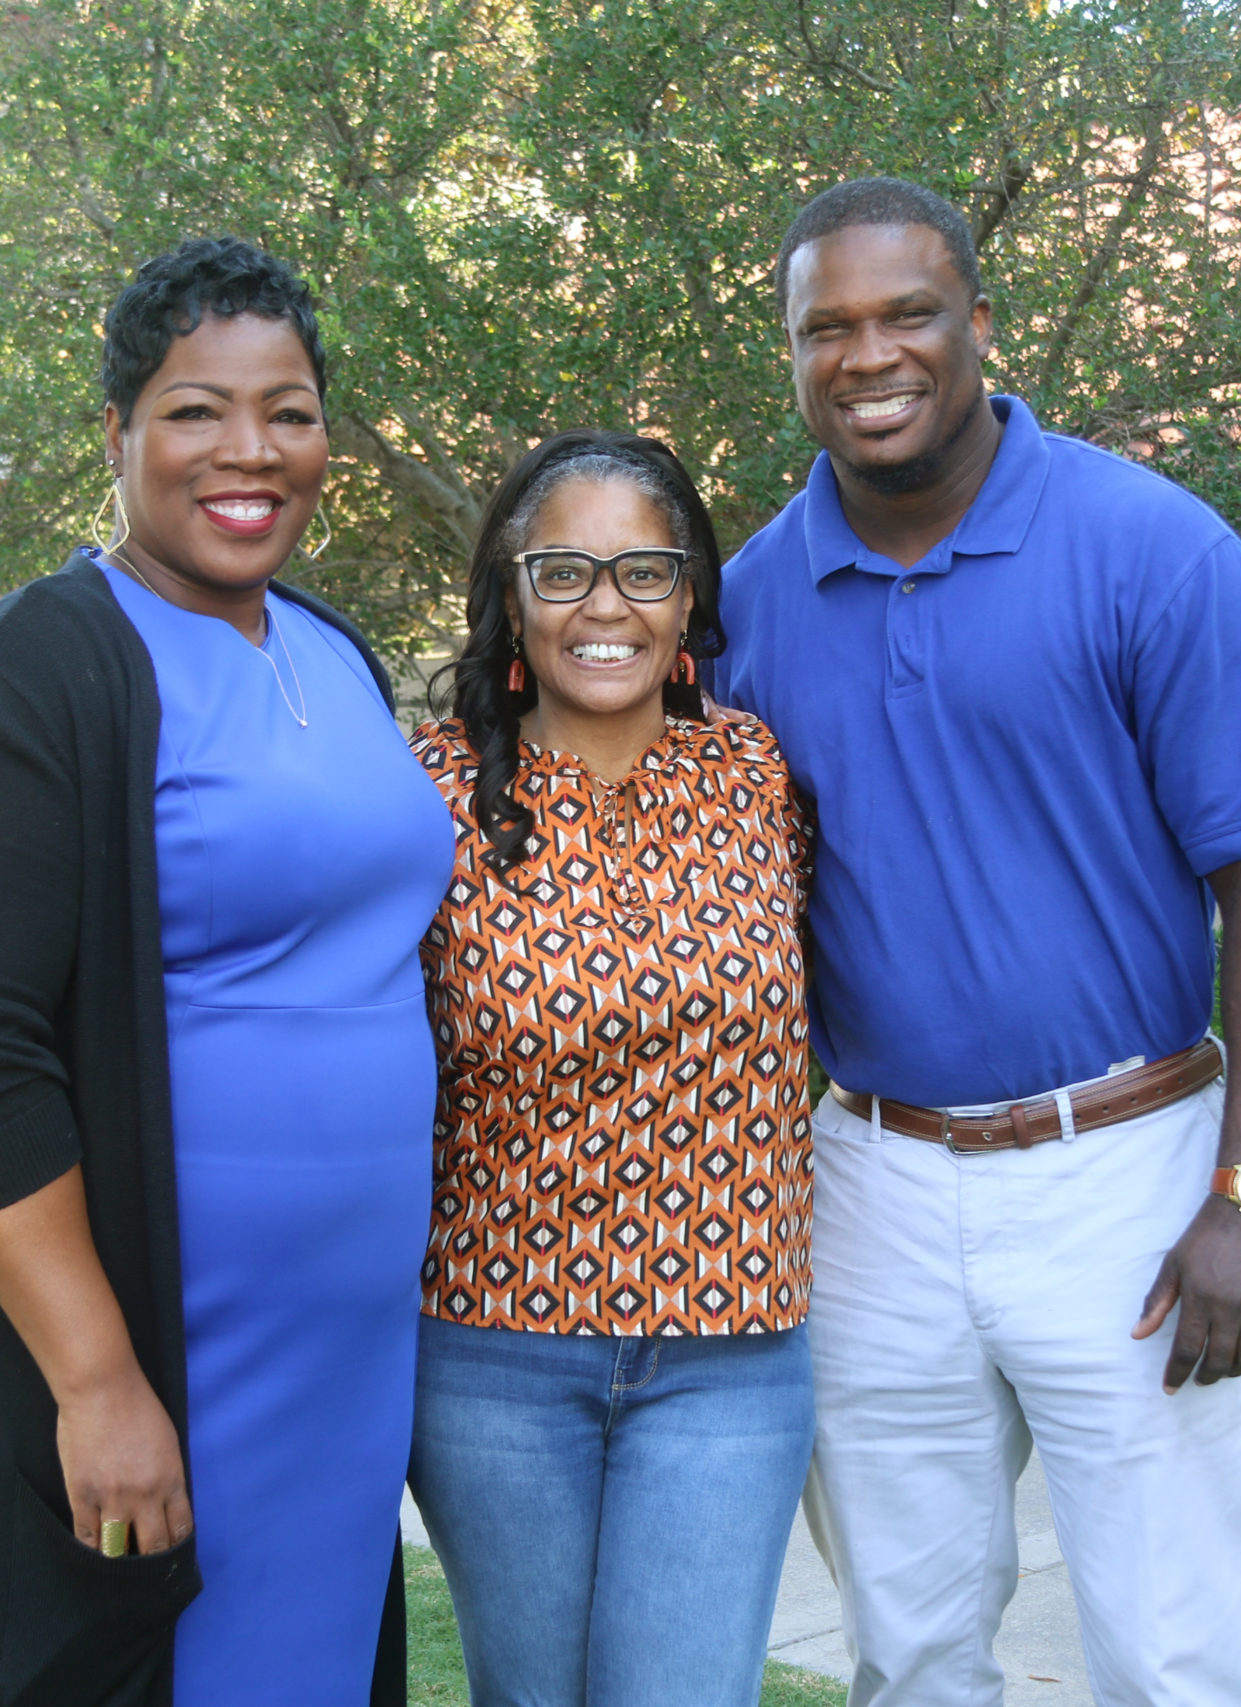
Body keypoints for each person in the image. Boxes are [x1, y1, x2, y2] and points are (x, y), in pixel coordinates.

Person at [715, 178, 1241, 1707]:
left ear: (980, 324)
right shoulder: (745, 606)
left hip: (1122, 1169)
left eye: (909, 313)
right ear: (791, 354)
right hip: (871, 1180)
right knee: (909, 1652)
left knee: (1172, 1655)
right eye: (827, 327)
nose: (870, 355)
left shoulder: (1154, 547)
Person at [0, 235, 450, 1707]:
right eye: (197, 410)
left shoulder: (331, 650)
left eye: (289, 411)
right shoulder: (27, 675)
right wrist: (97, 1381)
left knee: (309, 1662)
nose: (250, 450)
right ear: (119, 432)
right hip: (154, 1345)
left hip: (334, 1353)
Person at [405, 430, 816, 1707]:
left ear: (688, 597)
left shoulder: (754, 773)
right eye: (563, 572)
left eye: (642, 571)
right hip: (492, 1349)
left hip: (729, 1345)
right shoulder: (426, 793)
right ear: (511, 594)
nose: (604, 607)